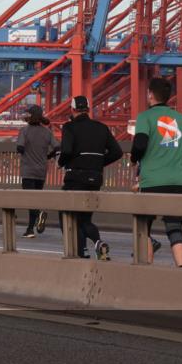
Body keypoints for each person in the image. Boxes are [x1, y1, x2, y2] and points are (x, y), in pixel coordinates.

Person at [130, 77, 182, 267]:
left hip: (152, 182)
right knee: (174, 229)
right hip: (178, 183)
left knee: (144, 228)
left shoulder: (145, 117)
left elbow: (139, 144)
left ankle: (147, 271)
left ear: (150, 94)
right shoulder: (181, 120)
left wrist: (134, 159)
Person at [57, 96, 123, 260]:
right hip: (95, 178)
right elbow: (117, 152)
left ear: (73, 110)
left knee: (67, 215)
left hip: (75, 178)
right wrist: (98, 163)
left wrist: (60, 163)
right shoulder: (101, 127)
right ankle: (98, 243)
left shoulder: (69, 127)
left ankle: (81, 251)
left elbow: (66, 151)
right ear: (87, 109)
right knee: (85, 218)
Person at [16, 104, 55, 238]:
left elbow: (20, 148)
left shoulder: (24, 131)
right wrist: (47, 156)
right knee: (35, 199)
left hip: (28, 170)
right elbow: (57, 147)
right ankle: (30, 228)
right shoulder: (47, 132)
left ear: (30, 116)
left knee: (29, 200)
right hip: (41, 171)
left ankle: (37, 218)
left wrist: (25, 151)